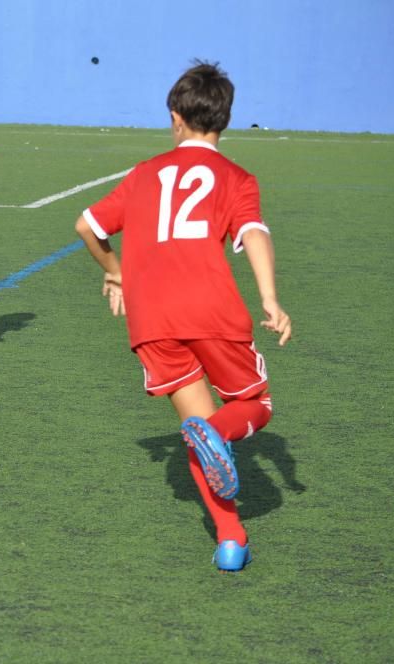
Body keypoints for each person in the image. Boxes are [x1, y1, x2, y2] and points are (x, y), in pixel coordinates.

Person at [73, 61, 292, 572]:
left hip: (151, 320)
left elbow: (86, 226)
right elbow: (254, 233)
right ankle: (220, 441)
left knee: (198, 424)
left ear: (175, 117)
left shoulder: (144, 174)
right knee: (255, 406)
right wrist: (270, 299)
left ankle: (231, 539)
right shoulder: (237, 177)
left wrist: (117, 272)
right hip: (211, 309)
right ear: (225, 120)